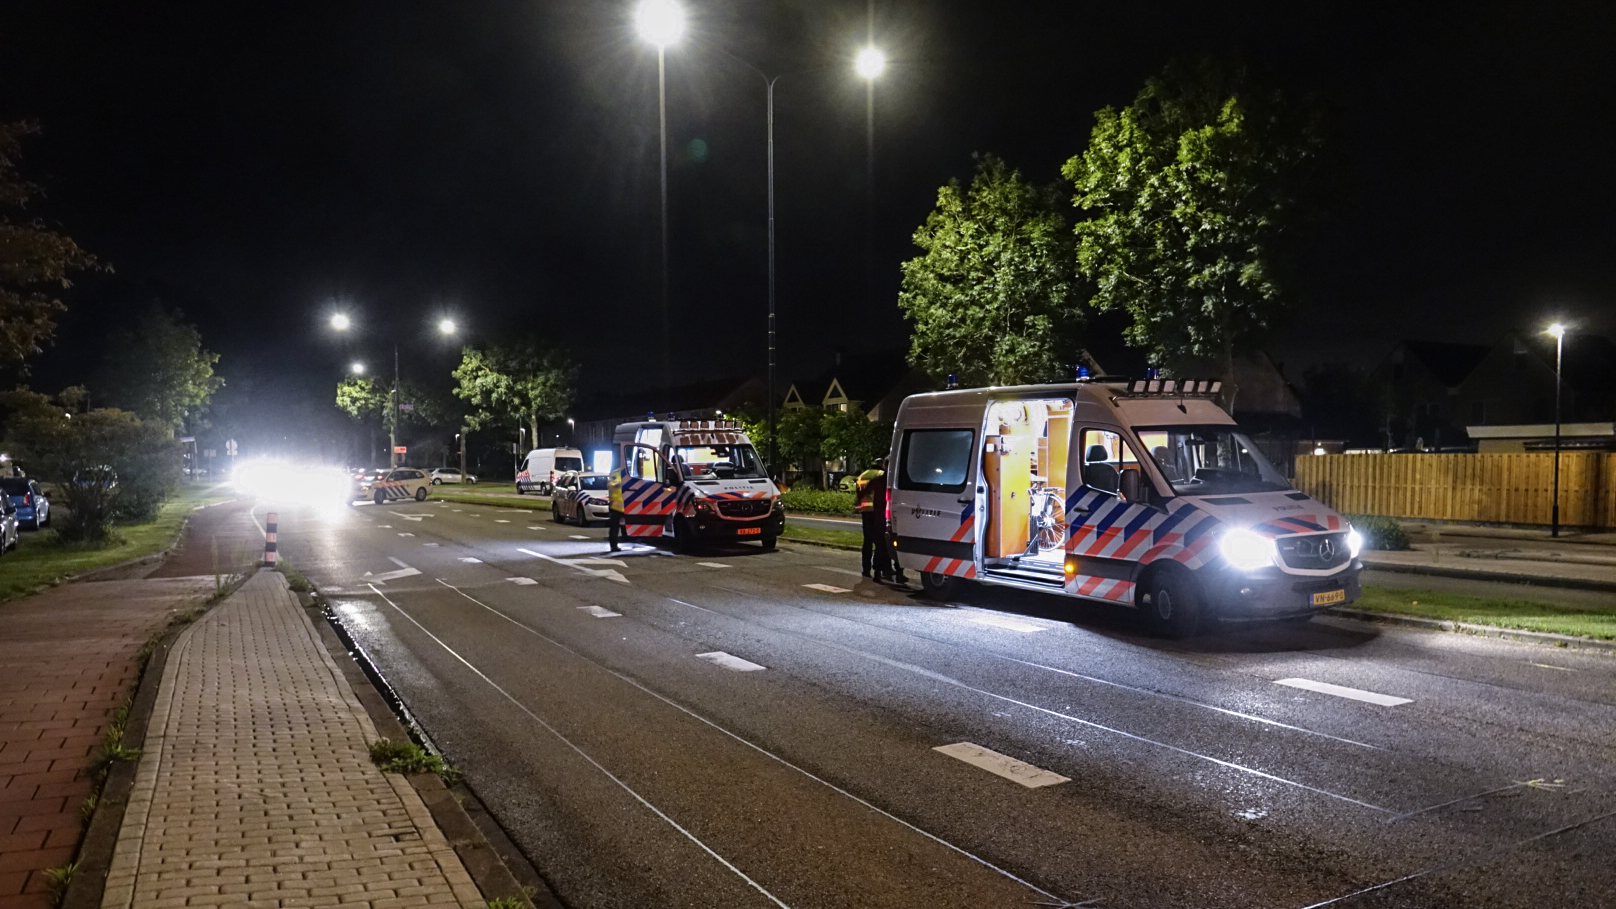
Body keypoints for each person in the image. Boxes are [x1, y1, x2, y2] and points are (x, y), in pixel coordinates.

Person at [855, 458, 895, 581]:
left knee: (867, 541)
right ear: (882, 466)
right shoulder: (881, 475)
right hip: (879, 511)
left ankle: (866, 569)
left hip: (866, 512)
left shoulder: (862, 476)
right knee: (881, 542)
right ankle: (883, 569)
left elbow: (859, 494)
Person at [607, 464, 626, 552]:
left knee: (624, 526)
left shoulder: (629, 472)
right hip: (616, 506)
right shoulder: (616, 473)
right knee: (615, 527)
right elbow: (611, 485)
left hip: (627, 505)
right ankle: (613, 546)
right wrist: (621, 483)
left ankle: (627, 538)